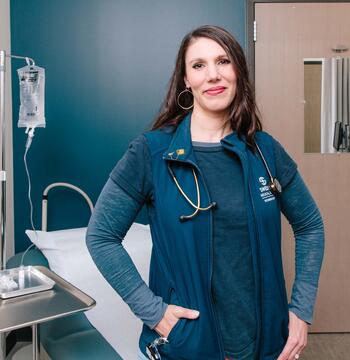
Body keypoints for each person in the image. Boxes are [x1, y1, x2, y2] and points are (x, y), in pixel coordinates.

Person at [86, 25, 324, 360]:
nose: (212, 75)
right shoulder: (151, 153)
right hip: (189, 345)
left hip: (267, 343)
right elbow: (101, 236)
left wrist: (300, 311)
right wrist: (154, 313)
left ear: (238, 70)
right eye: (198, 65)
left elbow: (310, 226)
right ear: (185, 79)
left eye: (223, 61)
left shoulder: (266, 152)